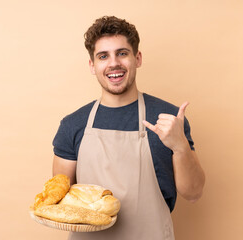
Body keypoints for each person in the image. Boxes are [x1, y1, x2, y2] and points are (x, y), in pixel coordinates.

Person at [52, 16, 205, 240]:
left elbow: (193, 193)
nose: (113, 63)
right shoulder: (73, 124)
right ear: (92, 66)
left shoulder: (168, 120)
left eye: (122, 53)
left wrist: (180, 146)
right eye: (103, 56)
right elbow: (63, 199)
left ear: (137, 58)